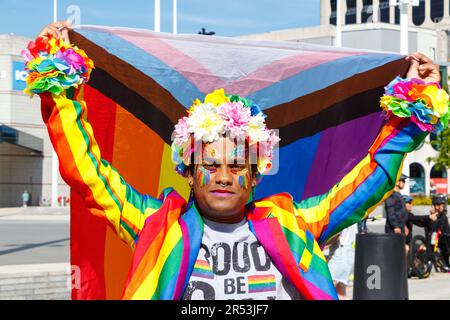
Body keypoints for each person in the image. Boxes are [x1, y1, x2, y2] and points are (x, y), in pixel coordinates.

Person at [23, 21, 447, 300]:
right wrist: (58, 86)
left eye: (237, 164)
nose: (224, 176)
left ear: (256, 172)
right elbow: (87, 171)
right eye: (210, 163)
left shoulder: (293, 223)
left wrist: (413, 113)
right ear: (188, 170)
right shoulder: (155, 223)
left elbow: (370, 181)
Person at [327, 224, 358, 299]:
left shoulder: (341, 216)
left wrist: (323, 244)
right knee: (340, 288)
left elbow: (336, 234)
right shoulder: (351, 215)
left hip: (340, 253)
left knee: (326, 287)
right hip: (350, 252)